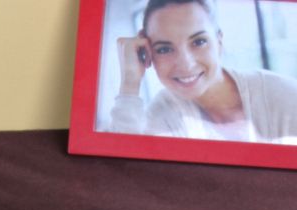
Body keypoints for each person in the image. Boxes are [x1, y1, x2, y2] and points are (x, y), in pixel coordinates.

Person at [110, 0, 297, 141]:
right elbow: (122, 174)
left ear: (219, 41)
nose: (186, 64)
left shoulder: (283, 95)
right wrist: (129, 82)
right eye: (164, 49)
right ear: (148, 52)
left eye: (199, 42)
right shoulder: (163, 113)